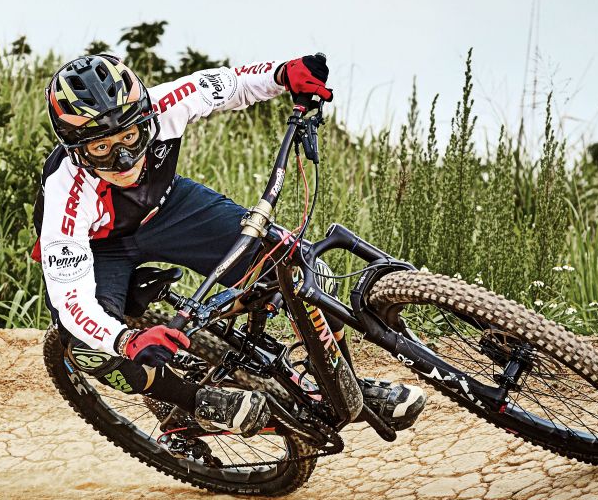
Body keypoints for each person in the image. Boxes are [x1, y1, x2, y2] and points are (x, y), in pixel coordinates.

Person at [34, 51, 426, 437]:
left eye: (130, 137)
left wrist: (282, 73)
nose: (123, 159)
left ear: (145, 117)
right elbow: (72, 302)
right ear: (76, 150)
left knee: (298, 265)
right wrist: (125, 340)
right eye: (101, 148)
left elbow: (232, 84)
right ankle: (193, 403)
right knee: (86, 346)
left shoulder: (165, 104)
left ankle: (345, 384)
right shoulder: (65, 195)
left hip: (167, 209)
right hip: (100, 246)